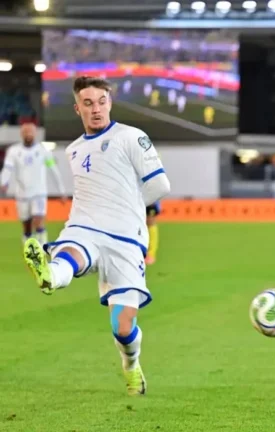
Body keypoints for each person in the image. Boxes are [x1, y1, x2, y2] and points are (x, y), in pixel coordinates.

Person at [22, 76, 171, 395]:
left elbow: (160, 185)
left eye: (101, 102)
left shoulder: (131, 137)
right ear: (78, 109)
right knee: (70, 255)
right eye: (88, 104)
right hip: (85, 228)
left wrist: (126, 208)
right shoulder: (74, 150)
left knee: (123, 327)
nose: (96, 109)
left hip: (126, 239)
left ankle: (131, 365)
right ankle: (50, 275)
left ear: (110, 103)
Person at [0, 122, 67, 244]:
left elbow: (53, 170)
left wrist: (61, 191)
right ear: (21, 134)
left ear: (35, 134)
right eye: (26, 132)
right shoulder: (14, 151)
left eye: (31, 132)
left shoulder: (43, 150)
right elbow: (7, 169)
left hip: (39, 193)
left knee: (38, 220)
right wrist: (3, 182)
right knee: (26, 226)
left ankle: (42, 248)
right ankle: (29, 250)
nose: (28, 134)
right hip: (22, 194)